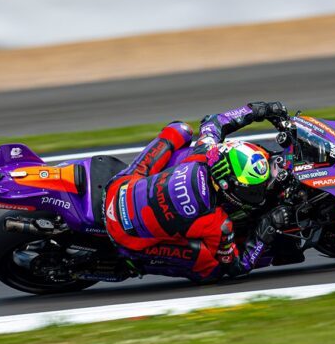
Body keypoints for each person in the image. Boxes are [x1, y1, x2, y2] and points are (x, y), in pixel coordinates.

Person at [103, 102, 292, 281]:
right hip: (125, 235)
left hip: (119, 187)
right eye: (253, 191)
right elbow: (237, 265)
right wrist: (266, 226)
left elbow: (214, 122)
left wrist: (258, 110)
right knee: (211, 268)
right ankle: (136, 262)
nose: (258, 193)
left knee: (179, 130)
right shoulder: (217, 222)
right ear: (226, 187)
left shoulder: (204, 154)